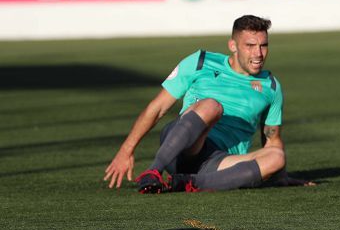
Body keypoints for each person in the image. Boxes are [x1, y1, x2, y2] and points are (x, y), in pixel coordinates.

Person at [103, 15, 310, 193]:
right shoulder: (201, 61)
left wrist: (280, 175)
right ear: (233, 46)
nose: (258, 54)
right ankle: (154, 170)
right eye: (250, 46)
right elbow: (157, 108)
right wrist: (126, 150)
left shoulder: (271, 87)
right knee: (212, 106)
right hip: (182, 146)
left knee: (276, 157)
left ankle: (188, 183)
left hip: (218, 163)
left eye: (263, 45)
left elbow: (272, 139)